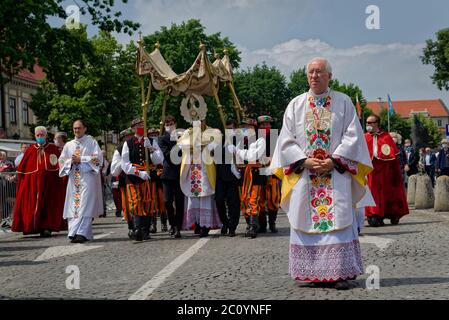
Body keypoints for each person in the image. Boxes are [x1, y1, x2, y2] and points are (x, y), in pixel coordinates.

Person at [269, 57, 373, 290]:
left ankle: (340, 272)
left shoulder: (343, 102)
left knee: (339, 221)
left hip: (335, 174)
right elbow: (286, 139)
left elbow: (353, 136)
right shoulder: (295, 105)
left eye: (319, 72)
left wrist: (334, 160)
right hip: (306, 176)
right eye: (311, 72)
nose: (314, 76)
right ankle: (314, 273)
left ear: (330, 76)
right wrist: (304, 161)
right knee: (305, 221)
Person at [11, 127, 66, 237]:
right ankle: (31, 227)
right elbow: (22, 169)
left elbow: (61, 165)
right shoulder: (30, 150)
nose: (40, 137)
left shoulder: (53, 149)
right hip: (33, 185)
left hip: (49, 185)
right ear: (35, 136)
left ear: (46, 136)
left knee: (47, 207)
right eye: (38, 135)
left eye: (42, 135)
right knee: (32, 205)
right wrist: (17, 178)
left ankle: (47, 227)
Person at [59, 120, 103, 243]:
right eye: (74, 128)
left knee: (85, 205)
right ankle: (73, 232)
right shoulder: (69, 145)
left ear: (85, 129)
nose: (76, 130)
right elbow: (61, 161)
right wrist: (70, 161)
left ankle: (81, 233)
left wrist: (81, 159)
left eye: (79, 128)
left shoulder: (92, 142)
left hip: (87, 178)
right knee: (73, 206)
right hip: (74, 179)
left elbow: (98, 159)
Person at [121, 118, 163, 241]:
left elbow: (158, 160)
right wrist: (139, 173)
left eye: (142, 125)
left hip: (149, 177)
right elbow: (125, 164)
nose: (140, 127)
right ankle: (137, 229)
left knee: (148, 202)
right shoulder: (127, 143)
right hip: (134, 177)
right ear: (133, 128)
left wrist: (150, 149)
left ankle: (145, 230)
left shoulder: (151, 141)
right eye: (138, 125)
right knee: (135, 202)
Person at [178, 119, 222, 237]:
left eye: (201, 121)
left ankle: (205, 225)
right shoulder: (187, 132)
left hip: (205, 168)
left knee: (205, 195)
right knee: (194, 197)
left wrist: (200, 146)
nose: (198, 123)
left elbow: (214, 145)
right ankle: (196, 223)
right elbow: (182, 145)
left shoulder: (212, 132)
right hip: (192, 168)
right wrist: (196, 146)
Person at [364, 115, 409, 226]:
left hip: (384, 172)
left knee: (385, 193)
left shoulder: (386, 137)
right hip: (369, 172)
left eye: (370, 122)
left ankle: (384, 214)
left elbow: (394, 156)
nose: (368, 125)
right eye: (366, 123)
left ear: (376, 123)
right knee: (371, 193)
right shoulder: (364, 137)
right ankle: (372, 214)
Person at [233, 117, 266, 239]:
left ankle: (253, 226)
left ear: (254, 128)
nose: (246, 129)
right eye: (244, 127)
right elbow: (236, 159)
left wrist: (239, 152)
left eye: (248, 127)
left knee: (253, 199)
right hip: (243, 174)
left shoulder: (260, 140)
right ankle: (249, 224)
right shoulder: (240, 141)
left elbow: (253, 156)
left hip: (255, 173)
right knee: (244, 200)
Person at [159, 115, 185, 238]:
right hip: (168, 174)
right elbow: (168, 155)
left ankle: (178, 227)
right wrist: (179, 146)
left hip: (180, 173)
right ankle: (172, 223)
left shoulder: (182, 136)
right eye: (167, 123)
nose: (169, 125)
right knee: (167, 201)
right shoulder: (162, 138)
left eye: (171, 123)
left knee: (179, 202)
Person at [215, 119, 241, 237]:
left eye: (231, 129)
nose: (229, 131)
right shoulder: (221, 140)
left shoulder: (239, 140)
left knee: (233, 203)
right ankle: (224, 222)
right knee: (219, 200)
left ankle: (232, 226)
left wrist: (236, 151)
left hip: (233, 176)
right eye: (227, 129)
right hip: (220, 175)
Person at [256, 115, 281, 234]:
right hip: (259, 171)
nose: (266, 126)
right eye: (263, 125)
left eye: (268, 124)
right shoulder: (254, 138)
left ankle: (272, 223)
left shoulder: (276, 137)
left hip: (272, 171)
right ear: (259, 126)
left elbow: (281, 152)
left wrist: (272, 158)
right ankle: (262, 224)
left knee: (273, 198)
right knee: (260, 198)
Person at [111, 128, 134, 236]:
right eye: (126, 137)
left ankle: (143, 227)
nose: (129, 139)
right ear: (123, 139)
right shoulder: (119, 150)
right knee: (127, 206)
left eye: (131, 136)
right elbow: (114, 171)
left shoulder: (139, 145)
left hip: (139, 180)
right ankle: (131, 227)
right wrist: (123, 161)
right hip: (125, 182)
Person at [147, 128, 167, 233]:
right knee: (152, 201)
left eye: (155, 134)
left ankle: (164, 223)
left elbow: (163, 160)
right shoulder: (147, 145)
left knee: (162, 201)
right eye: (151, 134)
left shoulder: (161, 145)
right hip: (151, 178)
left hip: (160, 178)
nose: (154, 135)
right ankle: (152, 224)